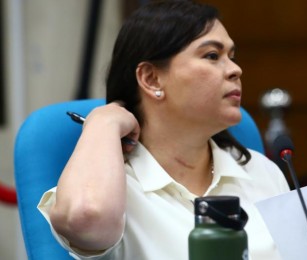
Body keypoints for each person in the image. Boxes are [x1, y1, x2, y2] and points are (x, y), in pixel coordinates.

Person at [38, 0, 290, 259]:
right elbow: (87, 217)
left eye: (232, 57)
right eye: (212, 56)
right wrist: (102, 122)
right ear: (151, 79)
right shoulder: (110, 190)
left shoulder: (262, 172)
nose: (236, 70)